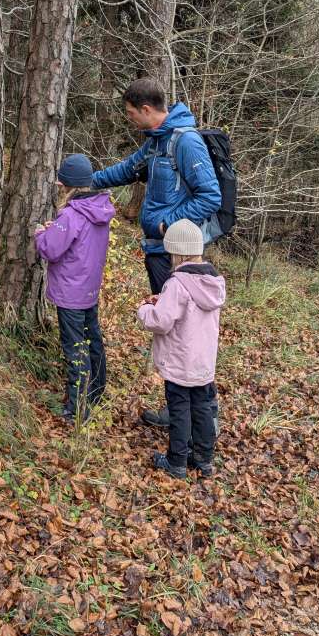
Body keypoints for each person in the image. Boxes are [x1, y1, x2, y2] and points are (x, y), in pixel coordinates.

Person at [92, 77, 221, 429]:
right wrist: (90, 180)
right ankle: (179, 411)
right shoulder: (155, 143)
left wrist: (169, 226)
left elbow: (211, 196)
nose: (130, 119)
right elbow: (127, 170)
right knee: (172, 334)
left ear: (147, 110)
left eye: (132, 113)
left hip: (174, 255)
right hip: (157, 251)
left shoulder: (186, 142)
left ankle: (201, 415)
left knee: (183, 333)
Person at [137, 220, 225, 479]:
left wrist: (144, 309)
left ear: (177, 253)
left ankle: (176, 462)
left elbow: (161, 321)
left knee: (179, 411)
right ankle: (203, 459)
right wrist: (161, 301)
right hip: (203, 363)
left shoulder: (177, 283)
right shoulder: (212, 281)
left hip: (179, 362)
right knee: (202, 409)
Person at [35, 154, 115, 424]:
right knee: (93, 341)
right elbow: (74, 241)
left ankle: (77, 410)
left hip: (70, 294)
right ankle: (96, 393)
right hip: (89, 289)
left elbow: (50, 249)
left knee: (75, 348)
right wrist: (53, 229)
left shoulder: (71, 214)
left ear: (67, 185)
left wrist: (39, 234)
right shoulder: (99, 210)